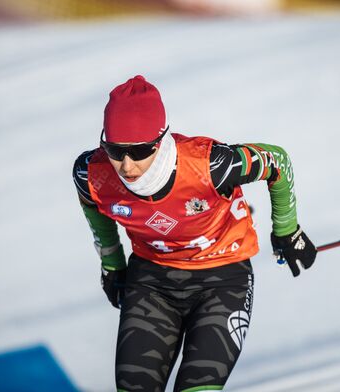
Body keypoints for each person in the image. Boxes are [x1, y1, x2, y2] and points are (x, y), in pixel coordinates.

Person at [72, 75, 317, 392]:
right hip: (152, 283)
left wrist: (287, 229)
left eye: (141, 150)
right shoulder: (91, 172)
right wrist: (113, 263)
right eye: (115, 150)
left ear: (160, 141)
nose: (127, 165)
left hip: (222, 281)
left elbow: (276, 161)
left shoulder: (212, 164)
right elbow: (93, 205)